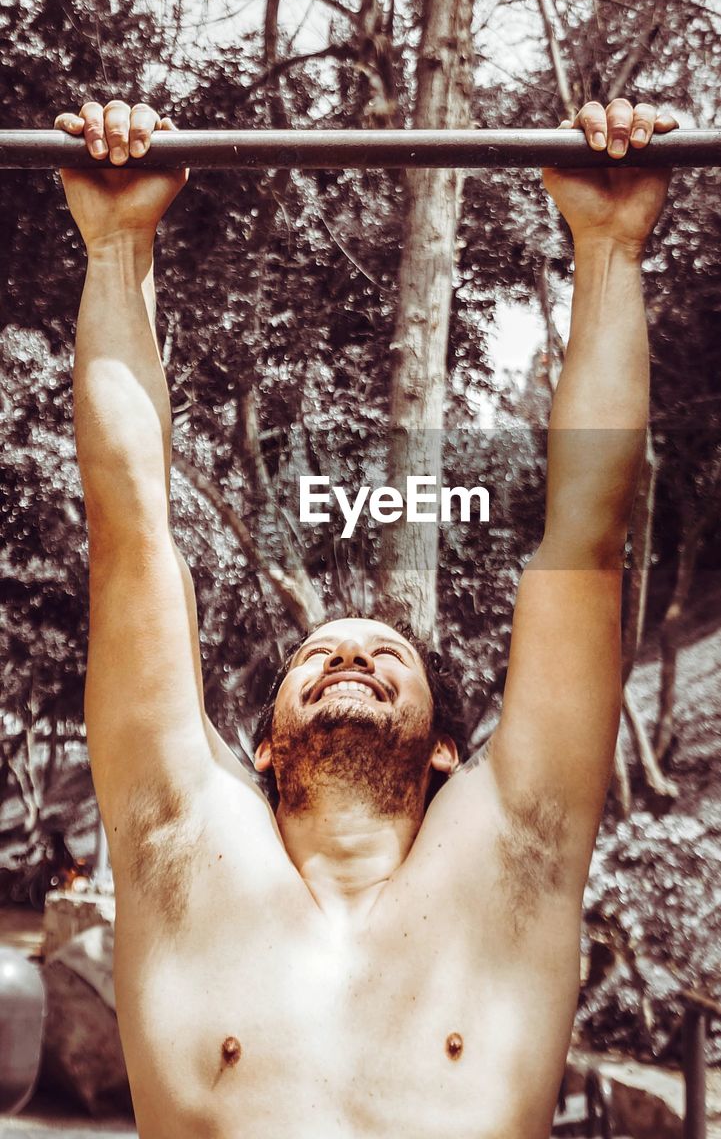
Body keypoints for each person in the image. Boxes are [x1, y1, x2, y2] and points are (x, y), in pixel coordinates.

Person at [55, 96, 677, 1138]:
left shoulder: (513, 844)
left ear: (444, 747)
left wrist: (608, 249)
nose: (347, 650)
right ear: (260, 739)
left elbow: (586, 535)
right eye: (319, 654)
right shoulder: (185, 841)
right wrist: (119, 248)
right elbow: (128, 532)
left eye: (384, 652)